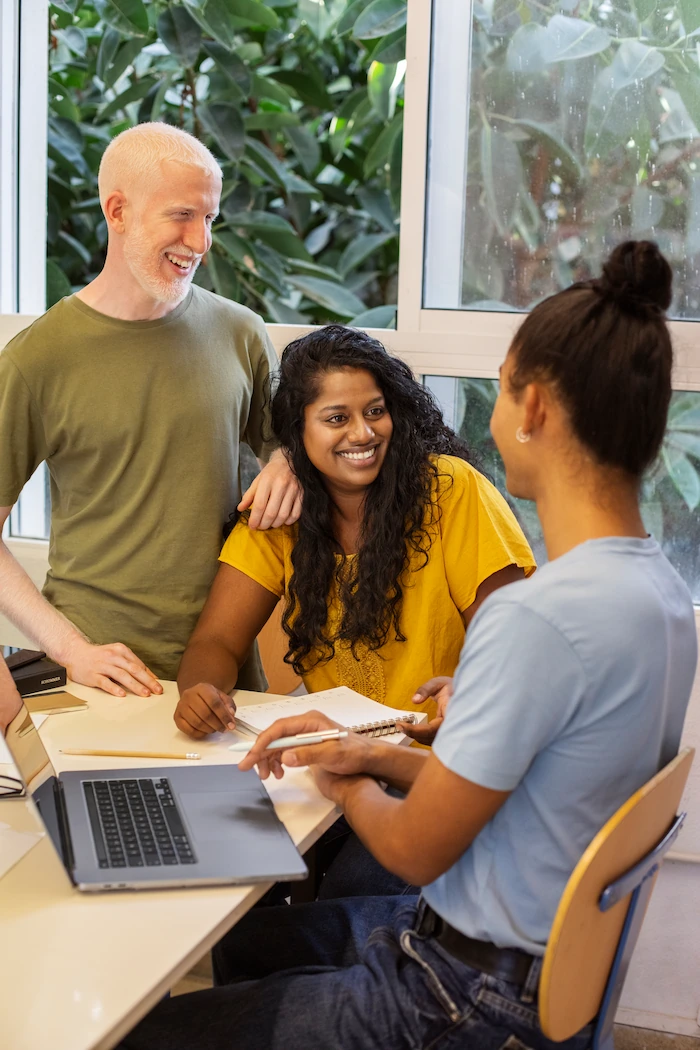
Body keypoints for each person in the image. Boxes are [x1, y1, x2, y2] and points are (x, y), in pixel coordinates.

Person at [119, 241, 697, 1050]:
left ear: (531, 410)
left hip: (466, 993)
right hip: (533, 959)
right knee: (249, 942)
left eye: (497, 389)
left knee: (149, 1032)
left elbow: (419, 844)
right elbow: (528, 787)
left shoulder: (534, 618)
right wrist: (371, 755)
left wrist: (337, 773)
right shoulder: (658, 594)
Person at [0, 123, 299, 699]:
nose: (201, 242)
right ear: (117, 211)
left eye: (209, 219)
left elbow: (295, 460)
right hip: (98, 676)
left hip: (225, 668)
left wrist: (288, 458)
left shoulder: (243, 333)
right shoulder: (35, 359)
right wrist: (73, 651)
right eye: (182, 215)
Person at [172, 324, 535, 740]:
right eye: (337, 418)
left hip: (457, 751)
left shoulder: (450, 490)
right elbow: (215, 641)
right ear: (298, 430)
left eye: (376, 411)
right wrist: (202, 694)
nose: (363, 433)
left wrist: (468, 702)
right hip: (339, 762)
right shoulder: (283, 511)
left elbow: (514, 646)